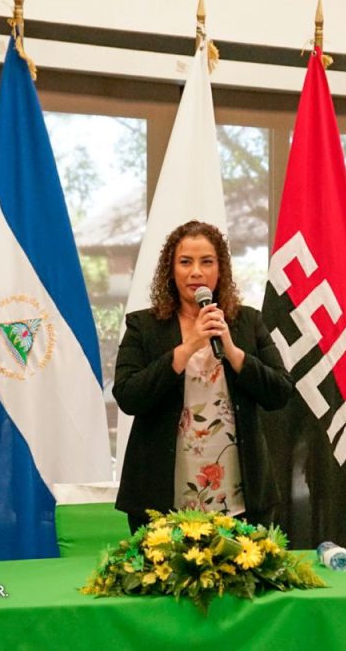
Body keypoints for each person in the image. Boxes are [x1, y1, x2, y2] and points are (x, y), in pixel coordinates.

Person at [114, 220, 293, 533]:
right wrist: (188, 347)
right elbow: (129, 396)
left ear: (220, 269)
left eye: (206, 262)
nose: (196, 272)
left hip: (239, 495)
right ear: (171, 271)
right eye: (185, 262)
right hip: (161, 495)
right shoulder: (144, 326)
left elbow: (280, 392)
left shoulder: (247, 321)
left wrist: (233, 352)